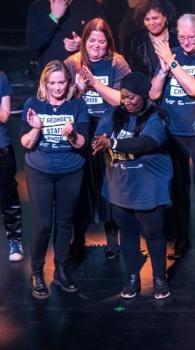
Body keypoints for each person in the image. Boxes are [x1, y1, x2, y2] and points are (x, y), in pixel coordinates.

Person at [92, 72, 172, 299]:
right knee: (127, 233)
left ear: (143, 96)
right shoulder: (115, 114)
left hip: (148, 186)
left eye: (130, 98)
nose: (126, 102)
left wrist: (114, 142)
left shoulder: (155, 116)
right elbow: (101, 131)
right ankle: (132, 278)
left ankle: (159, 279)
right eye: (123, 97)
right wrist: (98, 141)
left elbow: (146, 143)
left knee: (154, 234)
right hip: (121, 185)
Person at [150, 14, 195, 259]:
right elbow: (153, 93)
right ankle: (181, 237)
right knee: (178, 187)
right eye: (182, 37)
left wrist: (172, 63)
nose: (187, 41)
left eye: (191, 36)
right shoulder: (171, 55)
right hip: (173, 130)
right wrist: (162, 70)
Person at [21, 60, 90, 299]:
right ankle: (37, 273)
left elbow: (83, 144)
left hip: (70, 170)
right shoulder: (33, 103)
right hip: (39, 170)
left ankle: (61, 271)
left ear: (68, 83)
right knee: (43, 224)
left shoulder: (77, 104)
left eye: (61, 82)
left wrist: (71, 134)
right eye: (52, 83)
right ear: (45, 83)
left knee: (64, 222)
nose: (58, 88)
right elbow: (26, 143)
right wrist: (37, 128)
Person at [64, 18, 131, 259]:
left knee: (109, 185)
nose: (96, 46)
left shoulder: (117, 62)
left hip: (108, 129)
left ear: (108, 42)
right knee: (80, 186)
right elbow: (63, 98)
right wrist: (79, 88)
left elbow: (122, 100)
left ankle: (113, 239)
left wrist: (94, 84)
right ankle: (77, 237)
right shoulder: (72, 63)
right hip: (81, 130)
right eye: (91, 40)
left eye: (101, 42)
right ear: (84, 41)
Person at [26, 0, 105, 69]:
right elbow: (33, 44)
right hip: (51, 78)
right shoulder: (38, 7)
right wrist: (54, 17)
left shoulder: (90, 5)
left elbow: (105, 42)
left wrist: (82, 45)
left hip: (81, 75)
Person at [122, 0, 179, 79]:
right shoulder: (134, 42)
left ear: (165, 17)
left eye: (155, 18)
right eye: (147, 19)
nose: (151, 23)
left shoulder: (178, 38)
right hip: (146, 89)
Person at [0, 72, 23, 262]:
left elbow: (4, 116)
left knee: (9, 198)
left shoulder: (1, 78)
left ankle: (15, 240)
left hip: (1, 148)